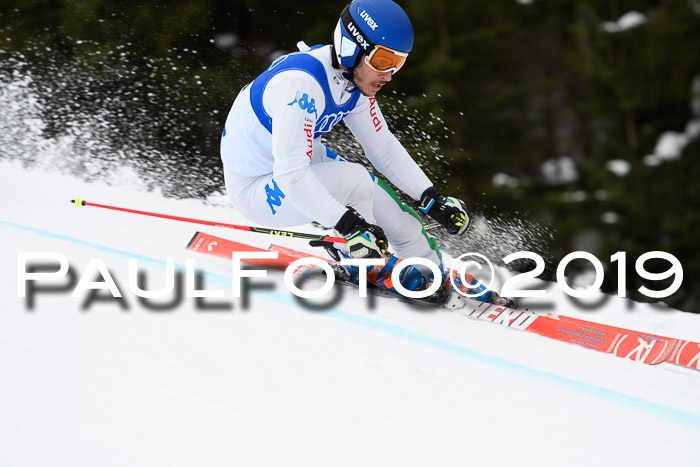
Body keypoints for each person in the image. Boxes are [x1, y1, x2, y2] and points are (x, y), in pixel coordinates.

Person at [221, 0, 511, 306]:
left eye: (398, 63)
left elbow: (381, 146)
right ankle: (363, 264)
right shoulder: (300, 86)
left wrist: (430, 198)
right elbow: (291, 175)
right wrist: (350, 227)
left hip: (293, 165)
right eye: (384, 60)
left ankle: (429, 270)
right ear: (352, 47)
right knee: (356, 180)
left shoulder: (353, 80)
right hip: (257, 187)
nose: (389, 74)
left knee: (397, 215)